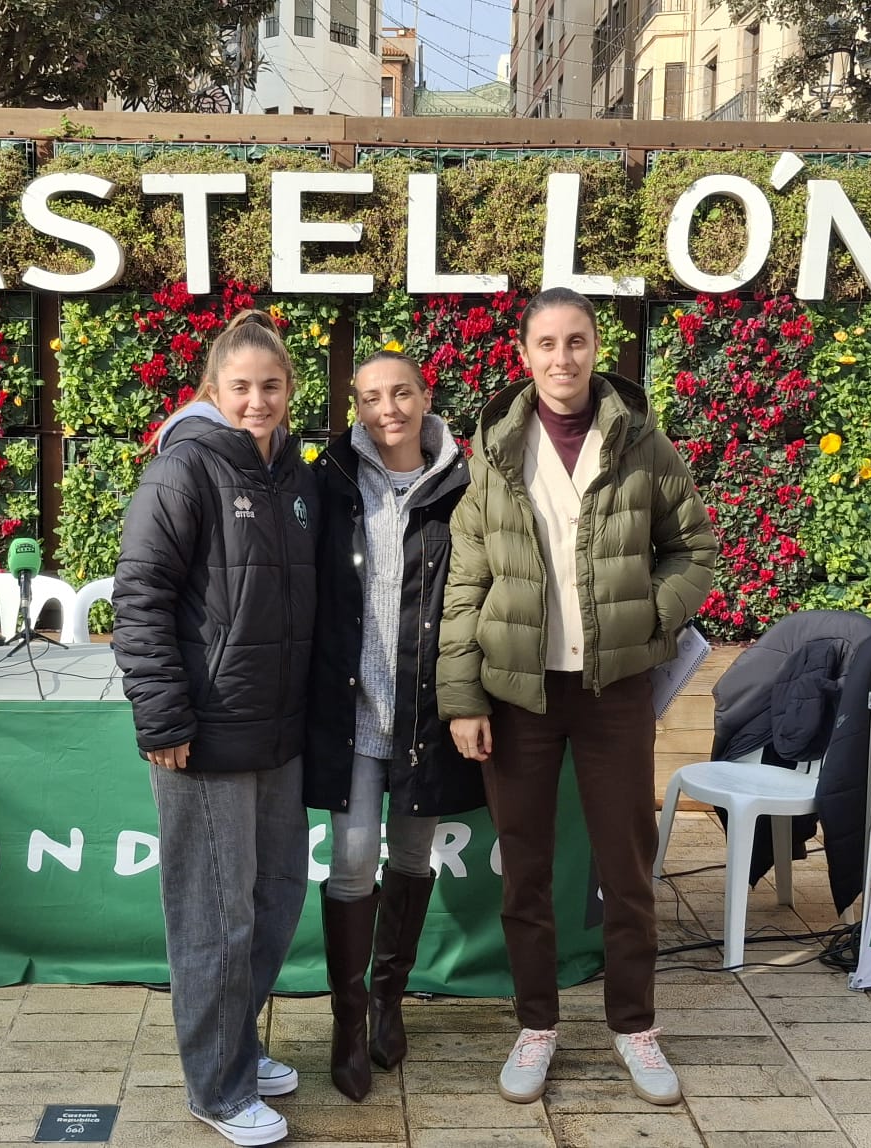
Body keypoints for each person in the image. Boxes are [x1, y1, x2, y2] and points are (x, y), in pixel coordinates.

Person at [436, 287, 719, 1108]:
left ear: (599, 350)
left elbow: (693, 550)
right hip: (518, 692)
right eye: (547, 344)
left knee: (626, 870)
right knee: (524, 873)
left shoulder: (642, 446)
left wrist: (647, 620)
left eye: (578, 342)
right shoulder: (494, 454)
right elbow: (467, 583)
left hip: (613, 693)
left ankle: (635, 1025)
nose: (563, 359)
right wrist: (462, 697)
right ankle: (536, 1025)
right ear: (523, 355)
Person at [113, 310, 319, 1147]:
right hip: (202, 738)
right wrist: (163, 716)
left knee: (273, 901)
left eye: (271, 386)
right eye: (241, 387)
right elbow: (139, 599)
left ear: (289, 390)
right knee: (214, 917)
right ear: (213, 390)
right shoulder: (182, 471)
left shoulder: (296, 478)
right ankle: (217, 1088)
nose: (257, 401)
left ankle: (238, 1045)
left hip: (280, 736)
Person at [306, 351, 482, 1101]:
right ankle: (347, 1025)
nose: (388, 410)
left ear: (424, 395)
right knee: (350, 865)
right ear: (356, 404)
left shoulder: (463, 488)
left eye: (401, 393)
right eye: (373, 397)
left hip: (424, 716)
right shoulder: (331, 481)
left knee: (411, 860)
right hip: (349, 716)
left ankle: (388, 1002)